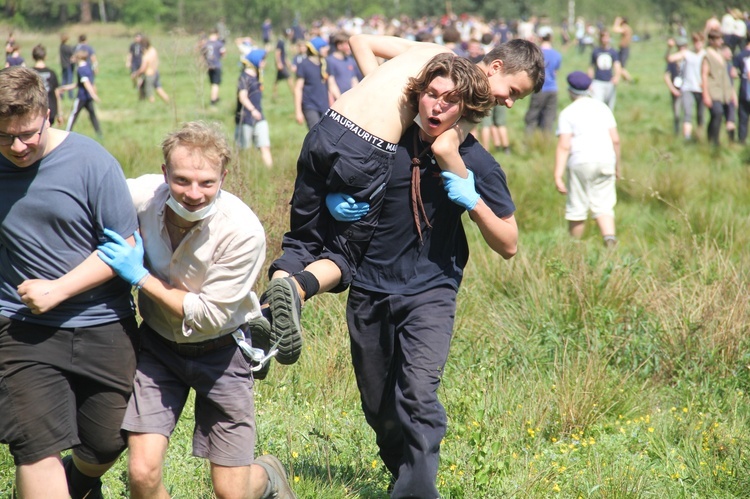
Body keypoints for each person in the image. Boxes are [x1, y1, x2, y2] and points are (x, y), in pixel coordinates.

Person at [263, 34, 544, 365]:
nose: (509, 102)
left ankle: (265, 318)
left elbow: (359, 41)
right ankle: (297, 290)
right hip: (366, 151)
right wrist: (467, 189)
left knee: (300, 242)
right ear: (495, 67)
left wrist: (386, 99)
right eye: (512, 92)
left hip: (328, 126)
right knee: (344, 256)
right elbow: (441, 147)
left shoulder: (433, 52)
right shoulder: (468, 94)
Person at [341, 62, 519, 496]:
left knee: (418, 395)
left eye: (451, 100)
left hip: (430, 290)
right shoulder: (384, 142)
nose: (439, 106)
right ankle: (405, 474)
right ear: (417, 95)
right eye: (433, 94)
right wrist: (335, 197)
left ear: (466, 108)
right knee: (379, 406)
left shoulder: (474, 159)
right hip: (369, 287)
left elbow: (509, 242)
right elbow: (327, 173)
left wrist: (473, 201)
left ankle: (417, 491)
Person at [96, 121, 295, 499]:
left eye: (207, 182)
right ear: (164, 172)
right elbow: (91, 194)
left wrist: (139, 276)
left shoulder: (242, 231)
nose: (193, 193)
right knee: (141, 473)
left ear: (224, 175)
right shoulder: (142, 196)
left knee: (231, 492)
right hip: (157, 348)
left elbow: (207, 315)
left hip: (223, 353)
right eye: (182, 180)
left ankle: (268, 476)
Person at [0, 66, 139, 499]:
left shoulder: (91, 161)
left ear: (48, 114)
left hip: (102, 321)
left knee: (106, 442)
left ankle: (80, 482)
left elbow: (127, 248)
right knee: (34, 446)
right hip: (20, 327)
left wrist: (58, 289)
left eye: (27, 133)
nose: (18, 146)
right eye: (4, 137)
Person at [554, 71, 621, 247]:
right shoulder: (603, 108)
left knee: (577, 206)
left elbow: (564, 145)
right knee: (604, 205)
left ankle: (574, 247)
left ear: (570, 91)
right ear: (589, 88)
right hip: (606, 160)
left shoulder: (567, 113)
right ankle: (609, 239)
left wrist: (558, 175)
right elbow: (616, 140)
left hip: (581, 162)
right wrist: (617, 166)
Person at [235, 49, 273, 166]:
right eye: (262, 60)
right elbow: (242, 97)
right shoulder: (243, 77)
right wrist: (252, 110)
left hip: (259, 116)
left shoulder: (257, 75)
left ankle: (270, 173)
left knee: (265, 146)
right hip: (245, 118)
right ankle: (244, 174)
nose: (264, 62)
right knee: (245, 150)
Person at [667, 32, 706, 141]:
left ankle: (699, 136)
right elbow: (670, 58)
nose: (697, 44)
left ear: (703, 42)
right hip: (687, 88)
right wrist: (669, 48)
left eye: (699, 41)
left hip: (701, 89)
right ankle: (687, 138)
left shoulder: (706, 54)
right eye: (695, 41)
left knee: (700, 115)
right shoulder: (687, 53)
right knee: (687, 112)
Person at [524, 28, 562, 134]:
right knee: (549, 119)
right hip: (552, 89)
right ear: (551, 38)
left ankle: (528, 141)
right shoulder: (557, 55)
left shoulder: (535, 53)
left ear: (540, 38)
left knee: (532, 117)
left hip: (539, 89)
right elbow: (555, 72)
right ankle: (545, 142)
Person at [58, 48, 102, 138]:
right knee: (92, 115)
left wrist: (94, 95)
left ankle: (67, 133)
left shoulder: (80, 69)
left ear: (78, 58)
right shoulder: (88, 67)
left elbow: (86, 83)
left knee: (73, 114)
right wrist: (66, 87)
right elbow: (80, 84)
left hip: (82, 97)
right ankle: (99, 134)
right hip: (88, 97)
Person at [702, 30, 735, 145]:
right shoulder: (707, 55)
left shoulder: (720, 54)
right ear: (711, 41)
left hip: (724, 91)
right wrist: (705, 94)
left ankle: (715, 139)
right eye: (718, 39)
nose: (721, 41)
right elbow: (704, 75)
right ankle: (713, 140)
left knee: (720, 116)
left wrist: (732, 92)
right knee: (717, 113)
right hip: (713, 90)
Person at [294, 36, 331, 129]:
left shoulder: (325, 64)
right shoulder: (304, 64)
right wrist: (298, 111)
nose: (327, 49)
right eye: (323, 47)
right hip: (310, 105)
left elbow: (330, 86)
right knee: (315, 133)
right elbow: (298, 88)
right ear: (315, 49)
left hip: (324, 105)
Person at [589, 29, 621, 110]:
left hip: (609, 81)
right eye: (603, 37)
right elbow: (591, 67)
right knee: (598, 105)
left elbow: (617, 65)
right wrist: (589, 81)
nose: (605, 39)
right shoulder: (596, 51)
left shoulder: (613, 52)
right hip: (598, 81)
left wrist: (617, 77)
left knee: (609, 107)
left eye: (606, 37)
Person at [31, 44, 62, 125]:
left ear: (33, 57)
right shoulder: (52, 73)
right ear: (45, 57)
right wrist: (59, 113)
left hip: (34, 110)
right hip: (50, 108)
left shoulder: (29, 73)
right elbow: (57, 94)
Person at [134, 36, 170, 103]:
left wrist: (137, 73)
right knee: (159, 88)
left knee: (149, 91)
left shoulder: (146, 56)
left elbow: (143, 68)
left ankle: (152, 104)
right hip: (155, 72)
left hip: (149, 74)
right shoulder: (153, 50)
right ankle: (168, 101)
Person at [326, 32, 360, 102]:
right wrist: (340, 100)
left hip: (350, 99)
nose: (350, 47)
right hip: (338, 100)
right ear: (339, 45)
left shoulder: (350, 60)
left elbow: (353, 79)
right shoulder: (330, 61)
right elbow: (331, 83)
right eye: (347, 44)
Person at [664, 37, 687, 135]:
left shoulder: (689, 58)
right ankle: (677, 132)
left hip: (687, 89)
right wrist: (673, 89)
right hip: (676, 89)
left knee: (688, 113)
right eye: (680, 46)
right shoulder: (672, 61)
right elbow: (666, 76)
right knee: (677, 114)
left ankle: (687, 133)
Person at [202, 29, 226, 106]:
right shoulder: (219, 44)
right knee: (216, 84)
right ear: (217, 34)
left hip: (208, 66)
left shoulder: (206, 44)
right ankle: (213, 101)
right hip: (216, 65)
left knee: (212, 83)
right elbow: (223, 53)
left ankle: (216, 96)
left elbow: (203, 53)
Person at [733, 36, 750, 144]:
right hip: (745, 90)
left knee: (743, 118)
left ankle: (741, 140)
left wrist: (740, 75)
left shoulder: (739, 55)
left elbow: (733, 73)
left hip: (743, 90)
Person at [273, 28, 295, 98]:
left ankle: (274, 94)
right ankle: (294, 93)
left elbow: (284, 56)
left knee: (277, 80)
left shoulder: (284, 42)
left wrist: (289, 65)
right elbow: (277, 53)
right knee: (290, 78)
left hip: (283, 64)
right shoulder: (281, 42)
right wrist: (279, 63)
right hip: (281, 64)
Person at [612, 16, 634, 83]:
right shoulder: (627, 27)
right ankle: (626, 81)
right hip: (623, 48)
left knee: (621, 67)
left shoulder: (625, 27)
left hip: (624, 49)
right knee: (619, 65)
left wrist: (616, 22)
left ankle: (630, 80)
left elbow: (615, 30)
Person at [59, 32, 75, 99]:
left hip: (63, 65)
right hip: (69, 65)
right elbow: (72, 55)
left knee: (63, 80)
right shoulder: (68, 47)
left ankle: (61, 94)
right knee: (70, 80)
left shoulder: (61, 47)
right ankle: (70, 95)